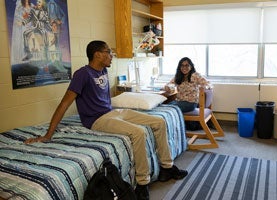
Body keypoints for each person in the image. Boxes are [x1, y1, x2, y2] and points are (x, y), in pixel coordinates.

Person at [24, 40, 188, 200]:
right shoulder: (82, 74)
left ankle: (167, 168)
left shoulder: (103, 70)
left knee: (158, 122)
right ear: (97, 55)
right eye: (108, 52)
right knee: (138, 132)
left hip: (112, 112)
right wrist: (48, 135)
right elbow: (64, 104)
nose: (112, 56)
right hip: (97, 120)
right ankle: (142, 183)